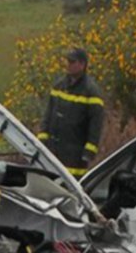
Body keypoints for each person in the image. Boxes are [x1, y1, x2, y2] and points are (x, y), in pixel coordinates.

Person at [37, 47, 105, 177]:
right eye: (68, 61)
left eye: (72, 62)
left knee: (71, 189)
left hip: (75, 155)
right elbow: (48, 114)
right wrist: (42, 137)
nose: (68, 65)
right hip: (54, 150)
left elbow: (96, 125)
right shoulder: (59, 86)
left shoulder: (91, 92)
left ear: (82, 64)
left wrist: (88, 153)